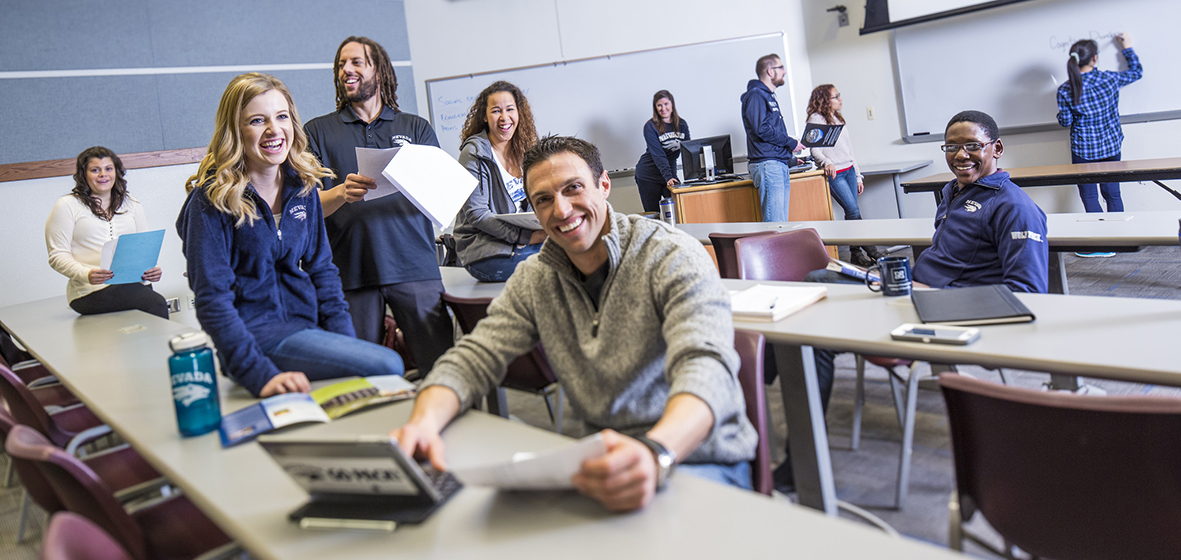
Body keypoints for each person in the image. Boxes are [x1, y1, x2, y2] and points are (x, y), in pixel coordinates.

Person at [392, 136, 757, 512]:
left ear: (604, 186)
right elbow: (472, 358)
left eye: (573, 189)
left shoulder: (669, 254)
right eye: (544, 200)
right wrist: (423, 423)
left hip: (695, 458)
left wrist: (656, 452)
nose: (562, 210)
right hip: (601, 458)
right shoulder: (536, 278)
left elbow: (706, 367)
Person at [774, 110, 1049, 493]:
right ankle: (769, 365)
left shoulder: (1015, 208)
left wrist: (925, 293)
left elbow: (1028, 295)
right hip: (909, 297)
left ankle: (795, 462)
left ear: (996, 149)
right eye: (951, 147)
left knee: (809, 331)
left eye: (972, 146)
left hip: (938, 313)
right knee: (817, 284)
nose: (960, 155)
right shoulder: (955, 192)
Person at [177, 73, 404, 398]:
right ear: (236, 130)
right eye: (257, 120)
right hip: (255, 340)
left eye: (281, 117)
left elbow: (323, 274)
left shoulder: (303, 188)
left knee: (375, 371)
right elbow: (213, 300)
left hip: (307, 332)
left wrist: (345, 346)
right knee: (389, 365)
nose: (274, 130)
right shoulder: (213, 200)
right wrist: (256, 373)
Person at [304, 36, 454, 371]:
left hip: (414, 266)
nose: (347, 70)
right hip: (349, 271)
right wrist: (341, 192)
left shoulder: (415, 128)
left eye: (357, 62)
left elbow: (441, 195)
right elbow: (305, 205)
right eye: (341, 64)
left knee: (441, 366)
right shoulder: (317, 131)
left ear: (379, 71)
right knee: (360, 377)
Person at [45, 147, 169, 319]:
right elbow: (57, 255)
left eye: (108, 169)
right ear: (84, 175)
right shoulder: (67, 205)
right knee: (155, 303)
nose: (103, 174)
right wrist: (86, 274)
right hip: (89, 291)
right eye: (95, 170)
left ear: (116, 172)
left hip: (131, 284)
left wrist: (151, 270)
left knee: (146, 296)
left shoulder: (132, 204)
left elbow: (143, 249)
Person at [452, 81, 544, 282]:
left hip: (523, 243)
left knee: (579, 248)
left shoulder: (525, 150)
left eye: (510, 109)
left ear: (519, 113)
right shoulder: (474, 152)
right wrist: (527, 237)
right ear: (484, 117)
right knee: (558, 265)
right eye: (496, 111)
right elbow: (477, 214)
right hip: (485, 252)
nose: (504, 117)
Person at [1056, 33, 1142, 233]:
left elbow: (1066, 121)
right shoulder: (1109, 79)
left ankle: (1102, 241)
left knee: (1089, 196)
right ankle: (1119, 238)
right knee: (1112, 193)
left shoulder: (1066, 89)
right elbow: (1137, 72)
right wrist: (1127, 47)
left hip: (1083, 149)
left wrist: (1063, 115)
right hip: (1111, 145)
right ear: (1095, 58)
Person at [805, 84, 883, 267]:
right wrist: (827, 162)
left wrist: (858, 176)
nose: (840, 99)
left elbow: (850, 151)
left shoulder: (838, 118)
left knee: (852, 212)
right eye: (835, 96)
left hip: (848, 170)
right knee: (854, 211)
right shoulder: (816, 119)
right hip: (835, 174)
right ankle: (873, 252)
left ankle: (856, 254)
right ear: (824, 100)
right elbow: (815, 150)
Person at [741, 54, 806, 222]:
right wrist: (791, 143)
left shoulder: (768, 96)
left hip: (777, 164)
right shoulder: (756, 95)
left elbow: (769, 130)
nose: (784, 72)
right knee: (775, 225)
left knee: (780, 223)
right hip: (769, 165)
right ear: (770, 71)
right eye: (781, 68)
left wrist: (788, 158)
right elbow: (761, 130)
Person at [635, 90, 690, 212]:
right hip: (648, 175)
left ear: (672, 105)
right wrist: (669, 177)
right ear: (655, 108)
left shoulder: (682, 124)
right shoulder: (650, 126)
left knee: (679, 211)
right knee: (654, 214)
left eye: (666, 104)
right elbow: (658, 155)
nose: (663, 108)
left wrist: (696, 174)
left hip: (668, 173)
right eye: (659, 105)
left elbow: (688, 151)